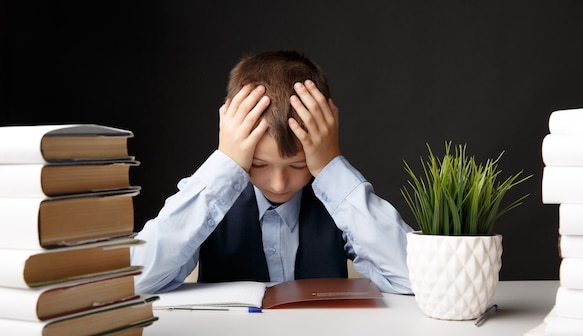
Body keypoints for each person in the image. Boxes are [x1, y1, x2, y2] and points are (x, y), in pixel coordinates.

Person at [131, 50, 413, 295]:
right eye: (259, 165)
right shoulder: (213, 205)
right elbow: (135, 279)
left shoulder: (337, 206)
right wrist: (224, 166)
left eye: (299, 166)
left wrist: (331, 168)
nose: (279, 184)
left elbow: (417, 278)